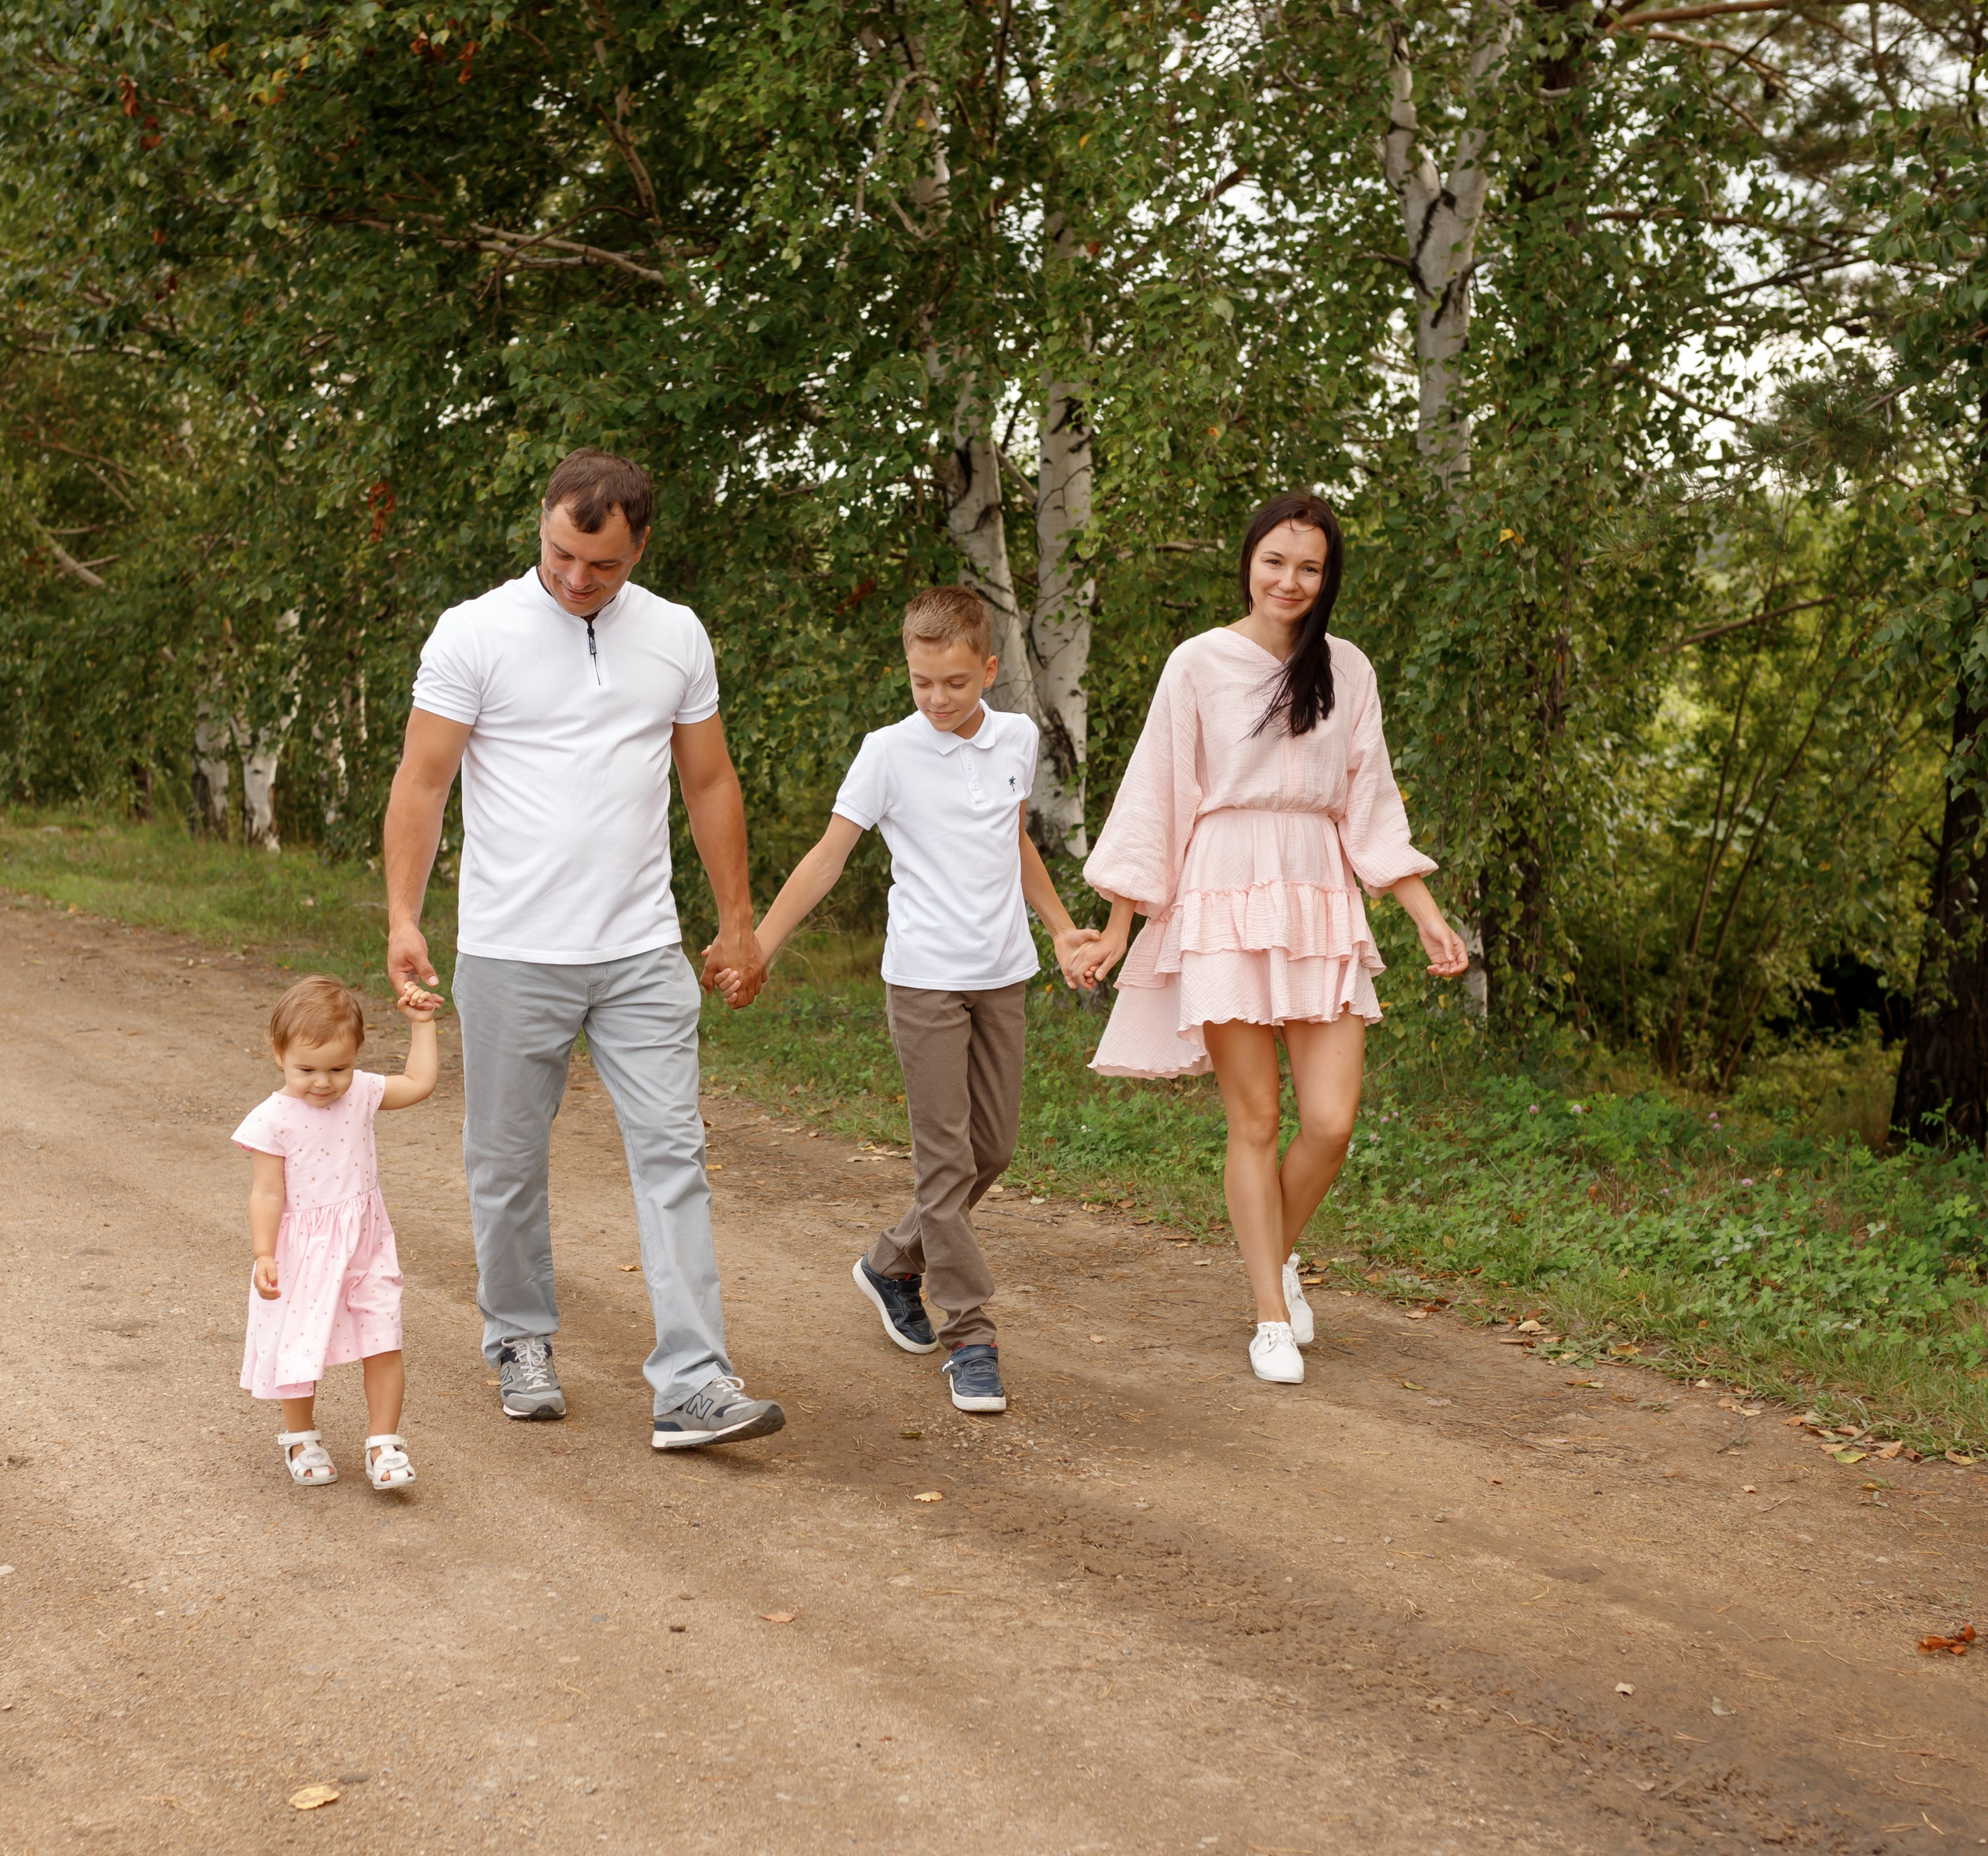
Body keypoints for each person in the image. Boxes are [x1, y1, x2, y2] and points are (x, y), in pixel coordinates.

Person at [384, 448, 784, 1451]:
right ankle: (519, 1339)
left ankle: (693, 1381)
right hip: (515, 950)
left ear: (640, 546)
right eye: (561, 553)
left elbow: (710, 782)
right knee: (507, 1164)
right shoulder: (474, 633)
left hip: (642, 948)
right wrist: (404, 915)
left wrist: (738, 920)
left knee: (673, 1157)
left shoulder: (676, 636)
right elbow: (423, 782)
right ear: (546, 529)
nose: (575, 578)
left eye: (600, 565)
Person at [1075, 493, 1470, 1386]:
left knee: (1329, 1123)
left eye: (1309, 567)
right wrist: (1118, 926)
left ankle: (1272, 1254)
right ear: (1247, 561)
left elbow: (1370, 802)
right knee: (1253, 1120)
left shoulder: (1348, 669)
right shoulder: (1198, 663)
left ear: (1326, 578)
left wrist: (1424, 912)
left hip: (1319, 893)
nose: (1289, 581)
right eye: (1275, 561)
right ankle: (1266, 1314)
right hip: (1222, 888)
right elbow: (1157, 795)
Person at [724, 588, 1096, 1414]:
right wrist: (760, 945)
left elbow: (1014, 840)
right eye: (921, 681)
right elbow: (827, 858)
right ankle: (971, 1336)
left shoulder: (1018, 738)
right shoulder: (887, 752)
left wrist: (1063, 929)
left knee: (991, 1150)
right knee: (945, 1161)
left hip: (1001, 972)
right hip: (923, 976)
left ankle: (891, 1261)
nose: (936, 698)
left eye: (955, 682)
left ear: (989, 671)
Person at [235, 974, 442, 1489]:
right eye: (307, 1069)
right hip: (303, 1252)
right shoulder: (272, 1118)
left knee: (384, 1337)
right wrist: (264, 1253)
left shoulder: (364, 1093)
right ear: (277, 1053)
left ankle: (384, 1442)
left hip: (366, 1245)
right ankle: (300, 1437)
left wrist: (422, 1024)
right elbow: (266, 1192)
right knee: (300, 1346)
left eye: (339, 1068)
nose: (324, 1083)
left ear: (356, 1056)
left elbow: (418, 1083)